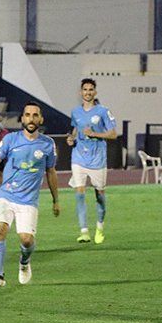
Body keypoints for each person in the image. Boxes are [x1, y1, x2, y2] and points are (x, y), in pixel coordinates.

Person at [0, 102, 60, 288]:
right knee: (0, 229)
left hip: (29, 201)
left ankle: (24, 262)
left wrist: (55, 200)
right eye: (27, 115)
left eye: (35, 115)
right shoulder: (10, 140)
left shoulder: (48, 144)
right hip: (6, 195)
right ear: (22, 118)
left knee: (26, 240)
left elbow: (51, 172)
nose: (31, 119)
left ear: (40, 119)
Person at [66, 78, 118, 244]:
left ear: (95, 92)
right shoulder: (75, 112)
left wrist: (94, 134)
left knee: (100, 195)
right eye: (85, 89)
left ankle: (100, 227)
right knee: (79, 193)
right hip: (79, 157)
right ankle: (84, 231)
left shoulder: (103, 111)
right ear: (80, 92)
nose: (87, 92)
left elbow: (113, 134)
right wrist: (71, 138)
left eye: (90, 90)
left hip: (97, 159)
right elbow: (74, 130)